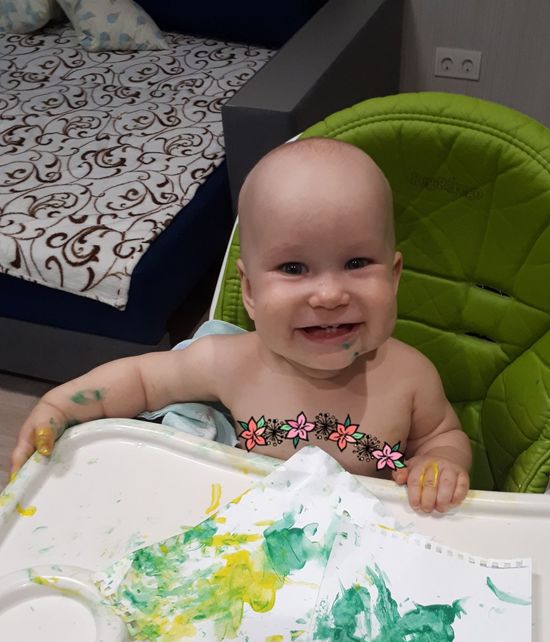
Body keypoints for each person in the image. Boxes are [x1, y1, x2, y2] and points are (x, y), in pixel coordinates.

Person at [11, 138, 471, 513]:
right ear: (249, 291)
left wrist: (439, 464)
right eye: (293, 268)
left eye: (357, 263)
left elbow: (441, 436)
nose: (329, 295)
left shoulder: (409, 376)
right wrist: (58, 406)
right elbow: (140, 380)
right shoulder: (229, 363)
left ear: (394, 276)